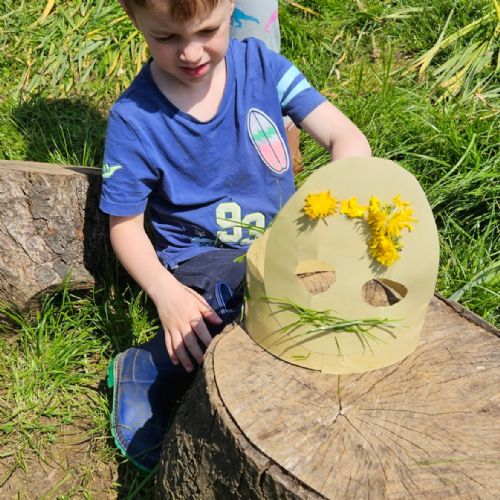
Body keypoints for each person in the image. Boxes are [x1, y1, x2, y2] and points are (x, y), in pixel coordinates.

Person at [101, 0, 371, 472]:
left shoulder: (263, 67)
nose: (190, 53)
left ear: (231, 7)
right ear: (135, 21)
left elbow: (346, 137)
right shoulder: (135, 119)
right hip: (199, 259)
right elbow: (124, 226)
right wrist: (166, 294)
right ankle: (147, 367)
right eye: (167, 38)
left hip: (279, 244)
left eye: (207, 30)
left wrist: (336, 202)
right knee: (251, 311)